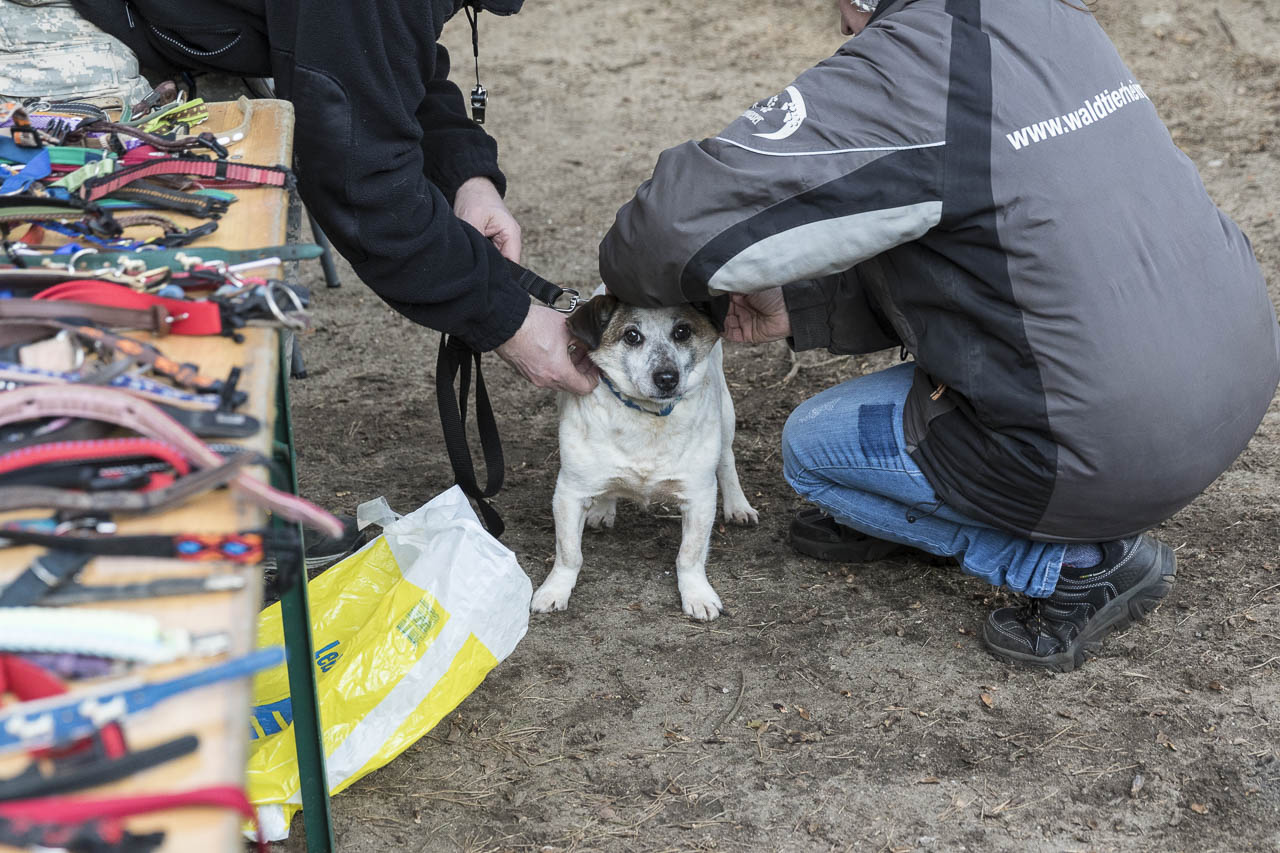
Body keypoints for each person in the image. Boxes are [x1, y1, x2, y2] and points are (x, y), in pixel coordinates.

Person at [598, 0, 1280, 671]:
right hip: (1234, 382)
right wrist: (803, 305)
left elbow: (666, 229)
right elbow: (1017, 240)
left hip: (1107, 438)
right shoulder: (1058, 18)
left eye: (845, 13)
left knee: (812, 449)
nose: (844, 33)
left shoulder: (916, 59)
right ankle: (948, 506)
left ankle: (1073, 564)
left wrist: (604, 296)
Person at [68, 0, 596, 395]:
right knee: (174, 252)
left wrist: (466, 177)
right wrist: (507, 320)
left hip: (196, 26)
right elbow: (361, 182)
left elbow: (384, 57)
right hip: (63, 19)